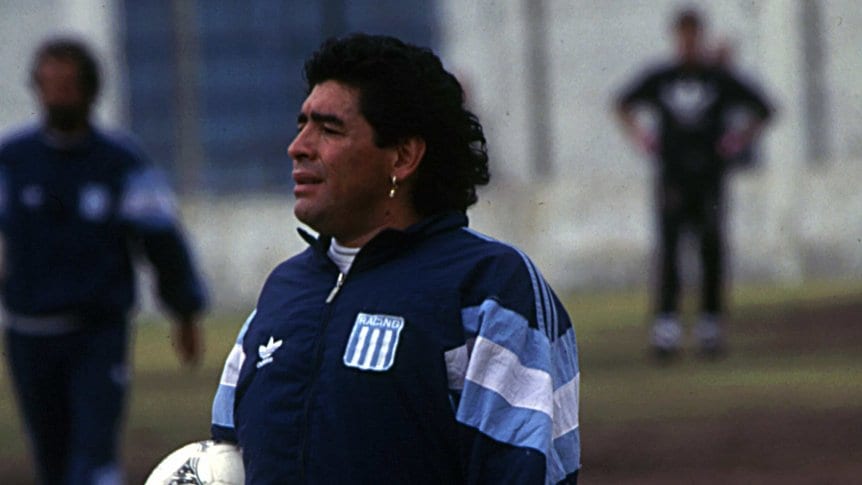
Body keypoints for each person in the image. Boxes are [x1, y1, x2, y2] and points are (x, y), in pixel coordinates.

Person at [210, 33, 580, 484]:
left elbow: (523, 470)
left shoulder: (490, 289)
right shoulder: (281, 295)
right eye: (302, 124)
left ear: (403, 156)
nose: (298, 146)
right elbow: (224, 460)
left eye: (329, 129)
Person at [0, 38, 207, 484]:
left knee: (93, 457)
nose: (57, 96)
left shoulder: (119, 163)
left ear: (90, 90)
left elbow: (162, 241)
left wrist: (184, 310)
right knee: (51, 460)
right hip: (28, 333)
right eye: (49, 85)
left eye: (68, 85)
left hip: (95, 333)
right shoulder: (12, 161)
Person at [615, 8, 773, 359]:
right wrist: (641, 136)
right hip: (673, 178)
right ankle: (666, 330)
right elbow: (622, 104)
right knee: (670, 250)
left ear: (700, 36)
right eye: (683, 36)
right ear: (676, 38)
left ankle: (710, 327)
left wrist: (738, 139)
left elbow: (764, 108)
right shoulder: (662, 77)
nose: (688, 43)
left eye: (693, 36)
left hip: (709, 179)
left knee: (711, 248)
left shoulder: (718, 78)